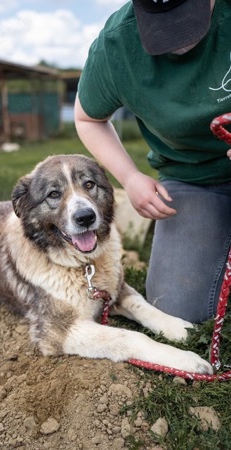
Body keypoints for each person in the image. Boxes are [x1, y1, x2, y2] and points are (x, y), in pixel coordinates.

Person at [74, 0, 231, 324]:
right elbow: (88, 119)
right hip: (192, 178)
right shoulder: (116, 44)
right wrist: (129, 178)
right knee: (175, 308)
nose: (179, 39)